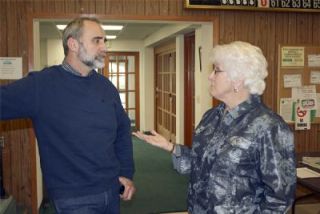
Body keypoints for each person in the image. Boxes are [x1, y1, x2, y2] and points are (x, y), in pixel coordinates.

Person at [134, 41, 296, 213]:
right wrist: (171, 147)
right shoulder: (211, 116)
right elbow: (200, 166)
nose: (210, 76)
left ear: (238, 80)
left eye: (217, 70)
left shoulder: (270, 127)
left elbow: (279, 199)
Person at [0, 17, 135, 214]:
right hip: (73, 198)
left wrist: (126, 173)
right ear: (73, 44)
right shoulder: (41, 85)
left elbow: (123, 131)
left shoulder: (106, 87)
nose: (104, 47)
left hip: (111, 191)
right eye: (97, 41)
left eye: (105, 41)